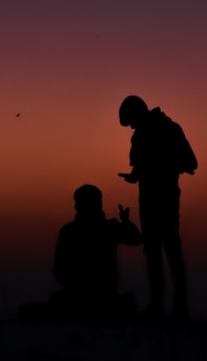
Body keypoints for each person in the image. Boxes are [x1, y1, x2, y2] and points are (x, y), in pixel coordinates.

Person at [117, 95, 197, 322]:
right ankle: (157, 307)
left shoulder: (168, 129)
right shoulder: (141, 135)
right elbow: (143, 168)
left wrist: (159, 166)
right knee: (153, 252)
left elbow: (190, 162)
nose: (131, 127)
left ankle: (179, 309)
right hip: (150, 198)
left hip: (165, 197)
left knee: (170, 250)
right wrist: (136, 176)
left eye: (131, 121)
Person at [50, 184, 142, 322]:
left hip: (92, 294)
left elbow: (136, 240)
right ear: (99, 204)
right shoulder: (108, 228)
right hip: (94, 294)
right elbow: (135, 239)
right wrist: (126, 222)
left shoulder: (70, 231)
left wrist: (126, 222)